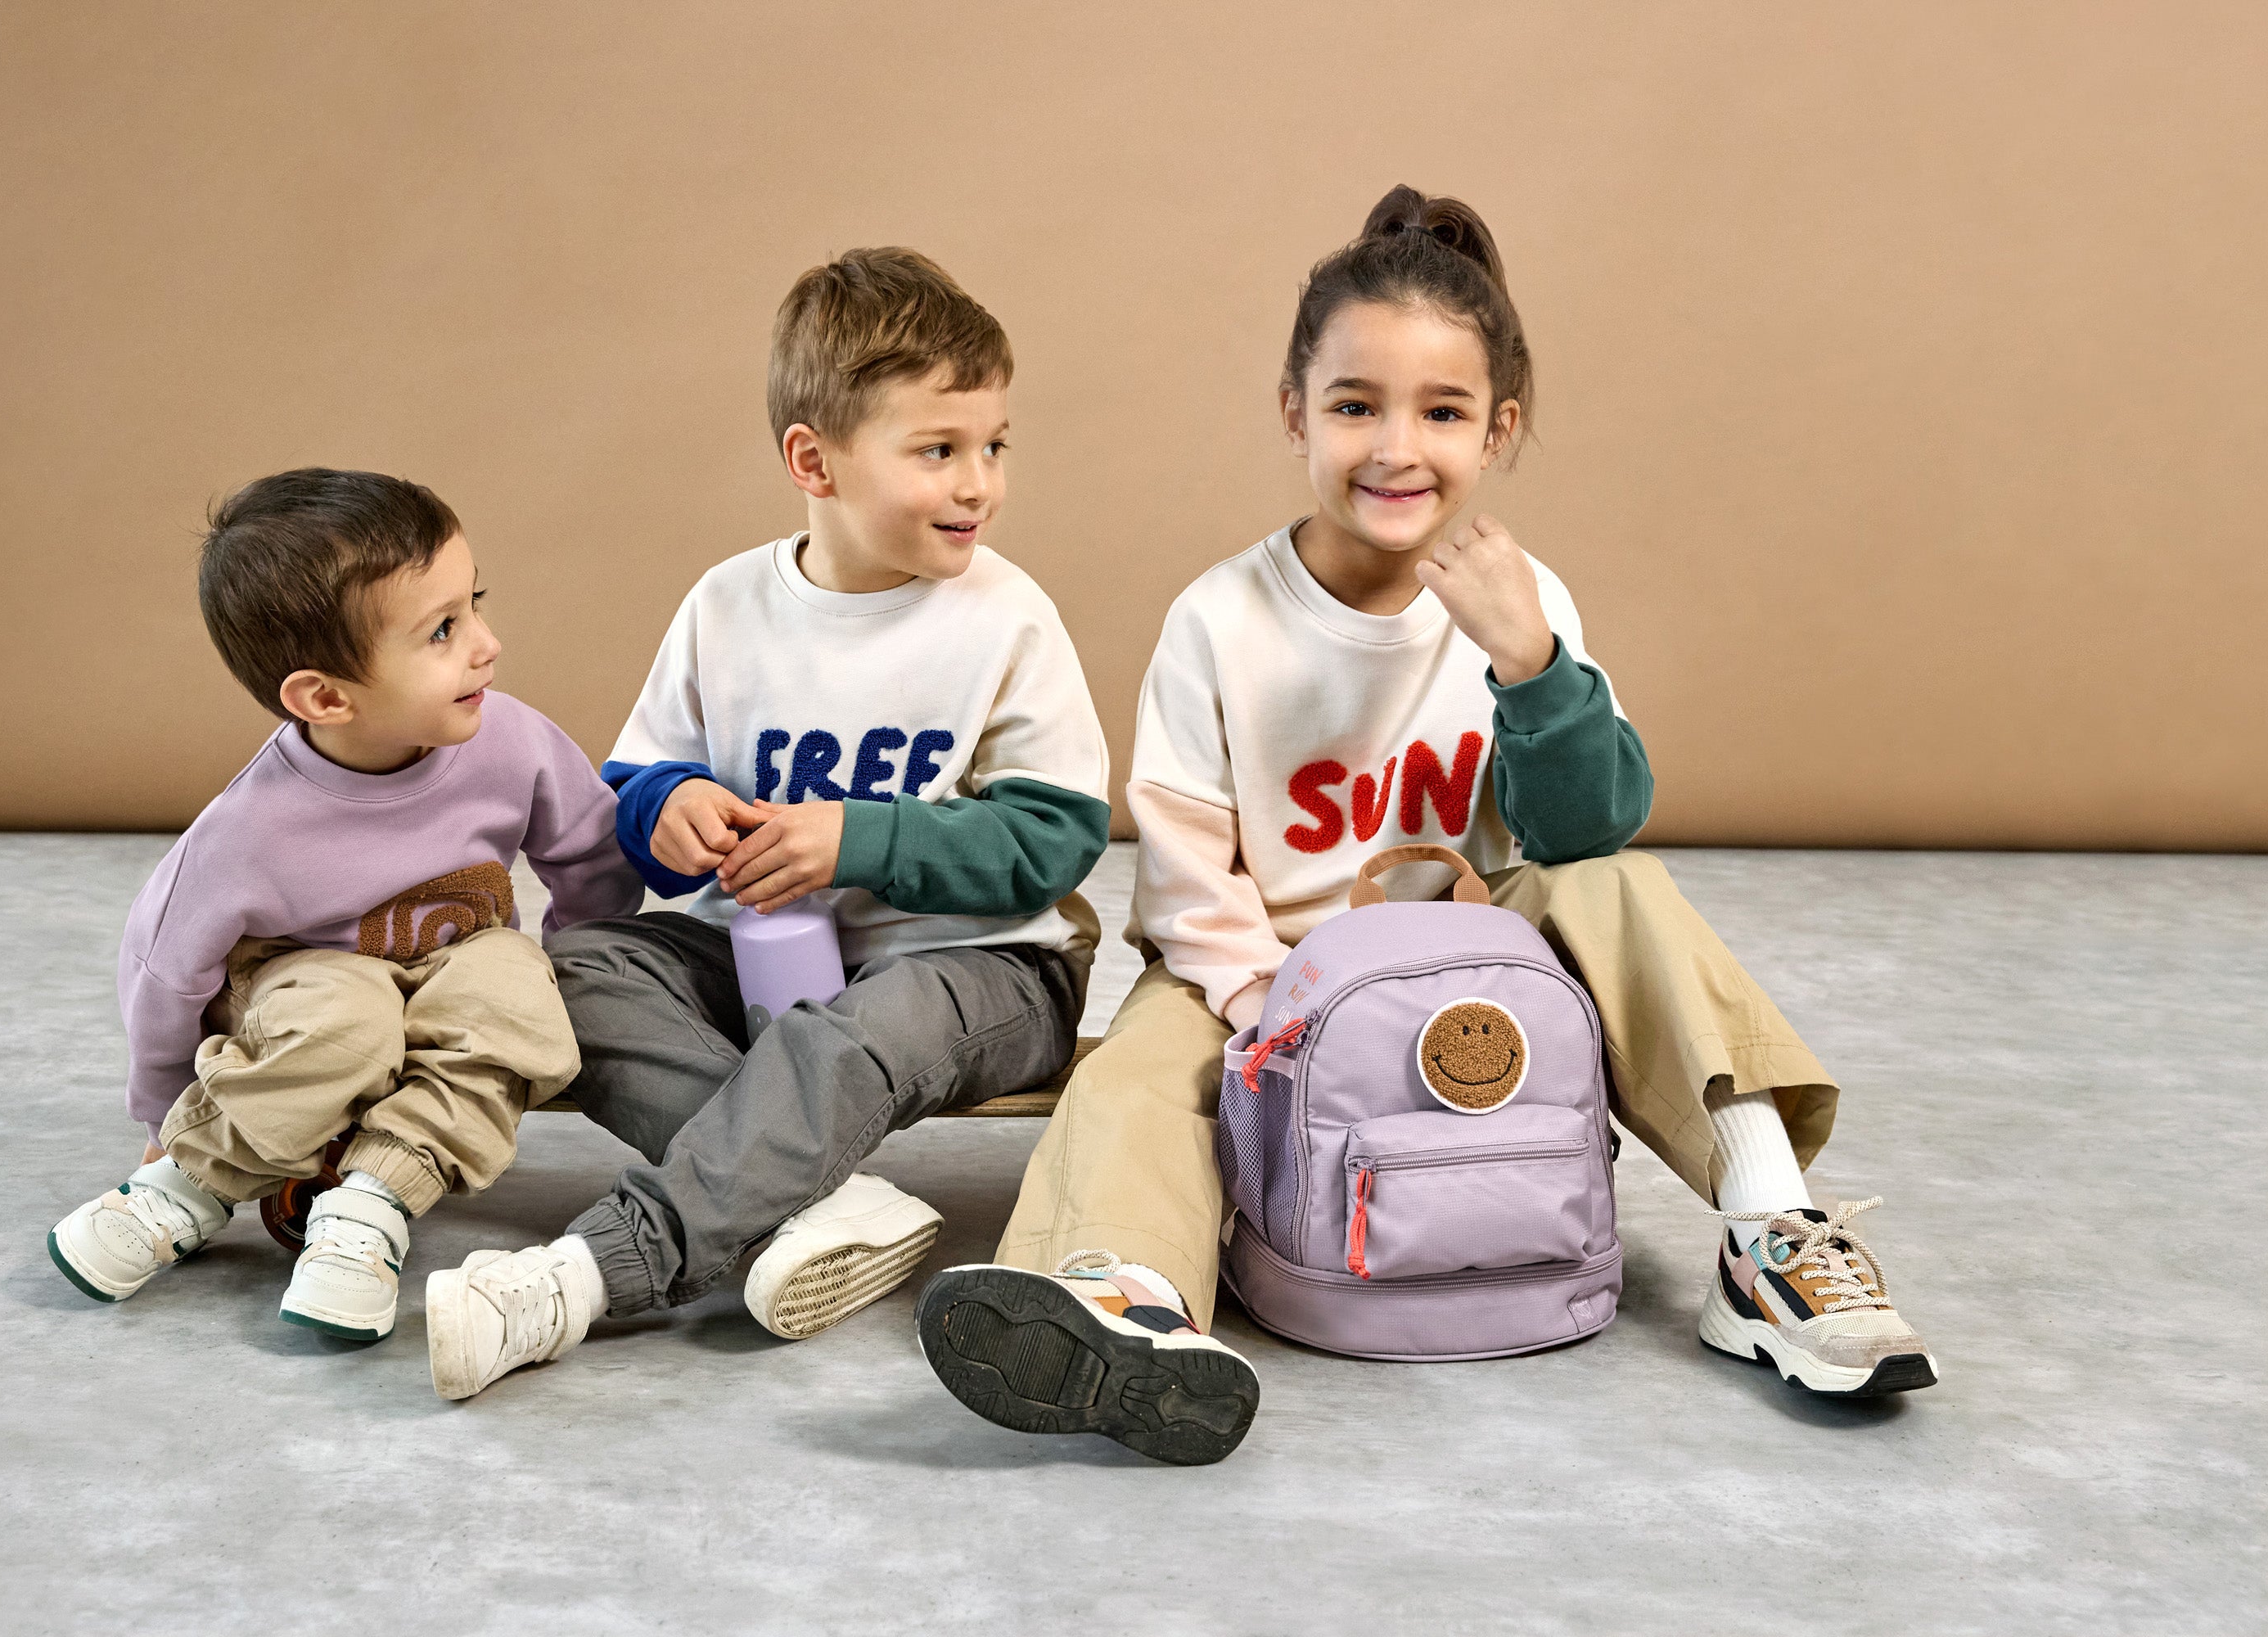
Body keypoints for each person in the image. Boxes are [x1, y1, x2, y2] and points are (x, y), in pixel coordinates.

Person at [915, 186, 1938, 1465]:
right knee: (1136, 1068)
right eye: (1355, 407)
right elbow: (1184, 877)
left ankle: (1770, 1230)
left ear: (1498, 429)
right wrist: (1264, 1012)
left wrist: (1531, 663)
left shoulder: (1524, 597)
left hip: (1477, 957)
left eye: (1441, 413)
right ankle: (1122, 1300)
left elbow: (1585, 834)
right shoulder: (1220, 618)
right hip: (1267, 977)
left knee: (1622, 892)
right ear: (1294, 412)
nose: (1395, 449)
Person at [426, 247, 1111, 1401]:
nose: (977, 483)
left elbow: (1055, 839)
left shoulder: (1006, 616)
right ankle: (829, 1202)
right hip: (760, 956)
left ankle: (586, 1273)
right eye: (936, 450)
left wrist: (858, 841)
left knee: (840, 1042)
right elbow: (630, 790)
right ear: (815, 459)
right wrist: (671, 808)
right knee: (572, 971)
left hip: (977, 968)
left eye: (993, 446)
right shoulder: (727, 605)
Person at [47, 469, 643, 1342]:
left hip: (449, 965)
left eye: (473, 603)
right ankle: (189, 1182)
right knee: (351, 1013)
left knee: (514, 987)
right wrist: (165, 1115)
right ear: (326, 696)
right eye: (443, 630)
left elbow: (590, 849)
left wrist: (583, 955)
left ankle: (370, 1205)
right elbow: (165, 970)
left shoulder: (512, 739)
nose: (486, 644)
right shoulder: (251, 829)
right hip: (300, 986)